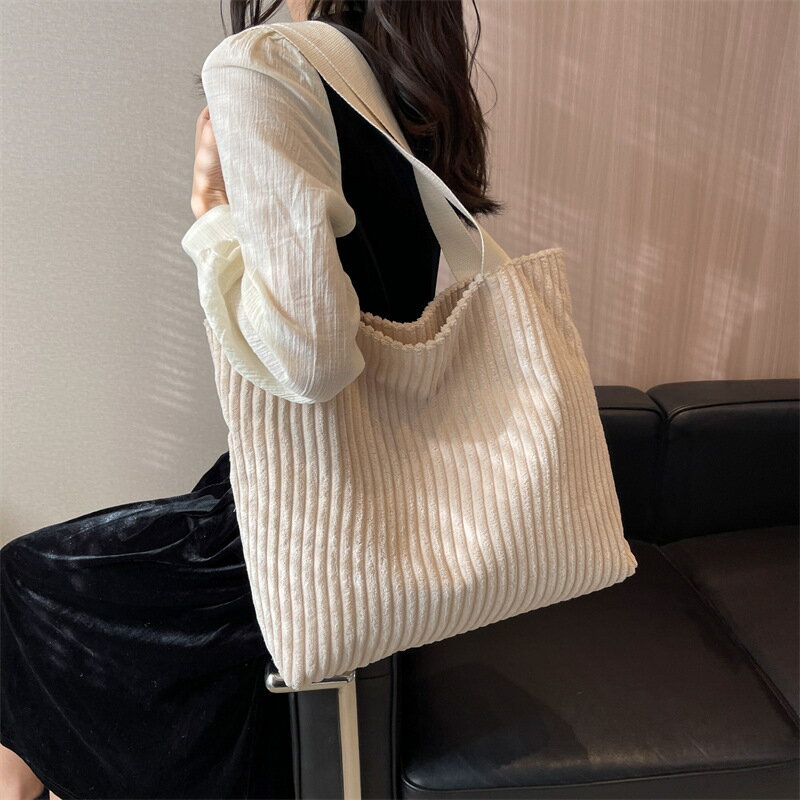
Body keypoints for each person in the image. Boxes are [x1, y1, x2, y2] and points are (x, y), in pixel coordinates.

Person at [0, 0, 503, 797]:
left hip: (300, 513)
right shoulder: (399, 76)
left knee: (23, 585)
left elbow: (310, 360)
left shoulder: (268, 63)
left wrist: (209, 209)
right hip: (390, 492)